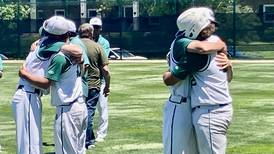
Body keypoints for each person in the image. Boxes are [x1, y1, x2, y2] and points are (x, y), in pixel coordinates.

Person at [163, 7, 233, 154]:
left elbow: (228, 76)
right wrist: (221, 46)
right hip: (180, 103)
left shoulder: (210, 42)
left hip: (201, 107)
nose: (211, 28)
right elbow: (200, 49)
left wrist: (229, 63)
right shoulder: (182, 42)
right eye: (207, 25)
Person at [17, 17, 87, 154]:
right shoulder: (77, 53)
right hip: (80, 105)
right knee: (79, 150)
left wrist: (23, 74)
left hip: (67, 109)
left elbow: (47, 83)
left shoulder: (59, 57)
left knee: (65, 151)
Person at [78, 23, 110, 149]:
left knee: (77, 112)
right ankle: (87, 141)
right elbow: (106, 70)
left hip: (77, 85)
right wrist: (107, 85)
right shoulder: (97, 47)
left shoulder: (73, 45)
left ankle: (81, 138)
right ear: (91, 33)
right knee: (89, 112)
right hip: (93, 84)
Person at [89, 17, 111, 142]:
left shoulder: (104, 43)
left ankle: (101, 134)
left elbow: (103, 61)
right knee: (87, 108)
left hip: (100, 79)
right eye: (93, 27)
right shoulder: (84, 40)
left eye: (97, 27)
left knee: (102, 107)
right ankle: (88, 134)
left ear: (100, 29)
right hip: (88, 79)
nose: (95, 30)